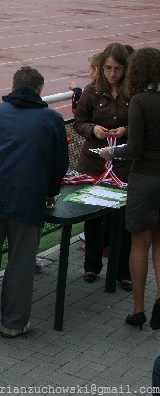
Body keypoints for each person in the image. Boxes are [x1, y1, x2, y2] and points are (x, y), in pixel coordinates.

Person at [0, 66, 69, 337]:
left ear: (13, 87)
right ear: (40, 90)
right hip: (29, 200)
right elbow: (59, 162)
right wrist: (49, 192)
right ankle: (14, 324)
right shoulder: (52, 119)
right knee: (21, 264)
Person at [97, 47, 160, 329]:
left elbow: (134, 148)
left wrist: (109, 153)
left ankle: (138, 310)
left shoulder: (139, 101)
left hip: (144, 179)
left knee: (139, 244)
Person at [73, 42, 132, 290]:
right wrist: (93, 129)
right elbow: (79, 122)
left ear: (126, 68)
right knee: (93, 218)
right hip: (94, 163)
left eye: (117, 69)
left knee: (123, 218)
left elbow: (144, 123)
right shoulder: (91, 91)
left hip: (123, 164)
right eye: (107, 68)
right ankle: (91, 265)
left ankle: (122, 272)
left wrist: (126, 130)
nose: (112, 74)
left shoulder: (133, 92)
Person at [69, 51, 101, 116]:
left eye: (90, 68)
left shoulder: (92, 89)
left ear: (96, 70)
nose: (88, 71)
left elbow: (78, 110)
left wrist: (76, 91)